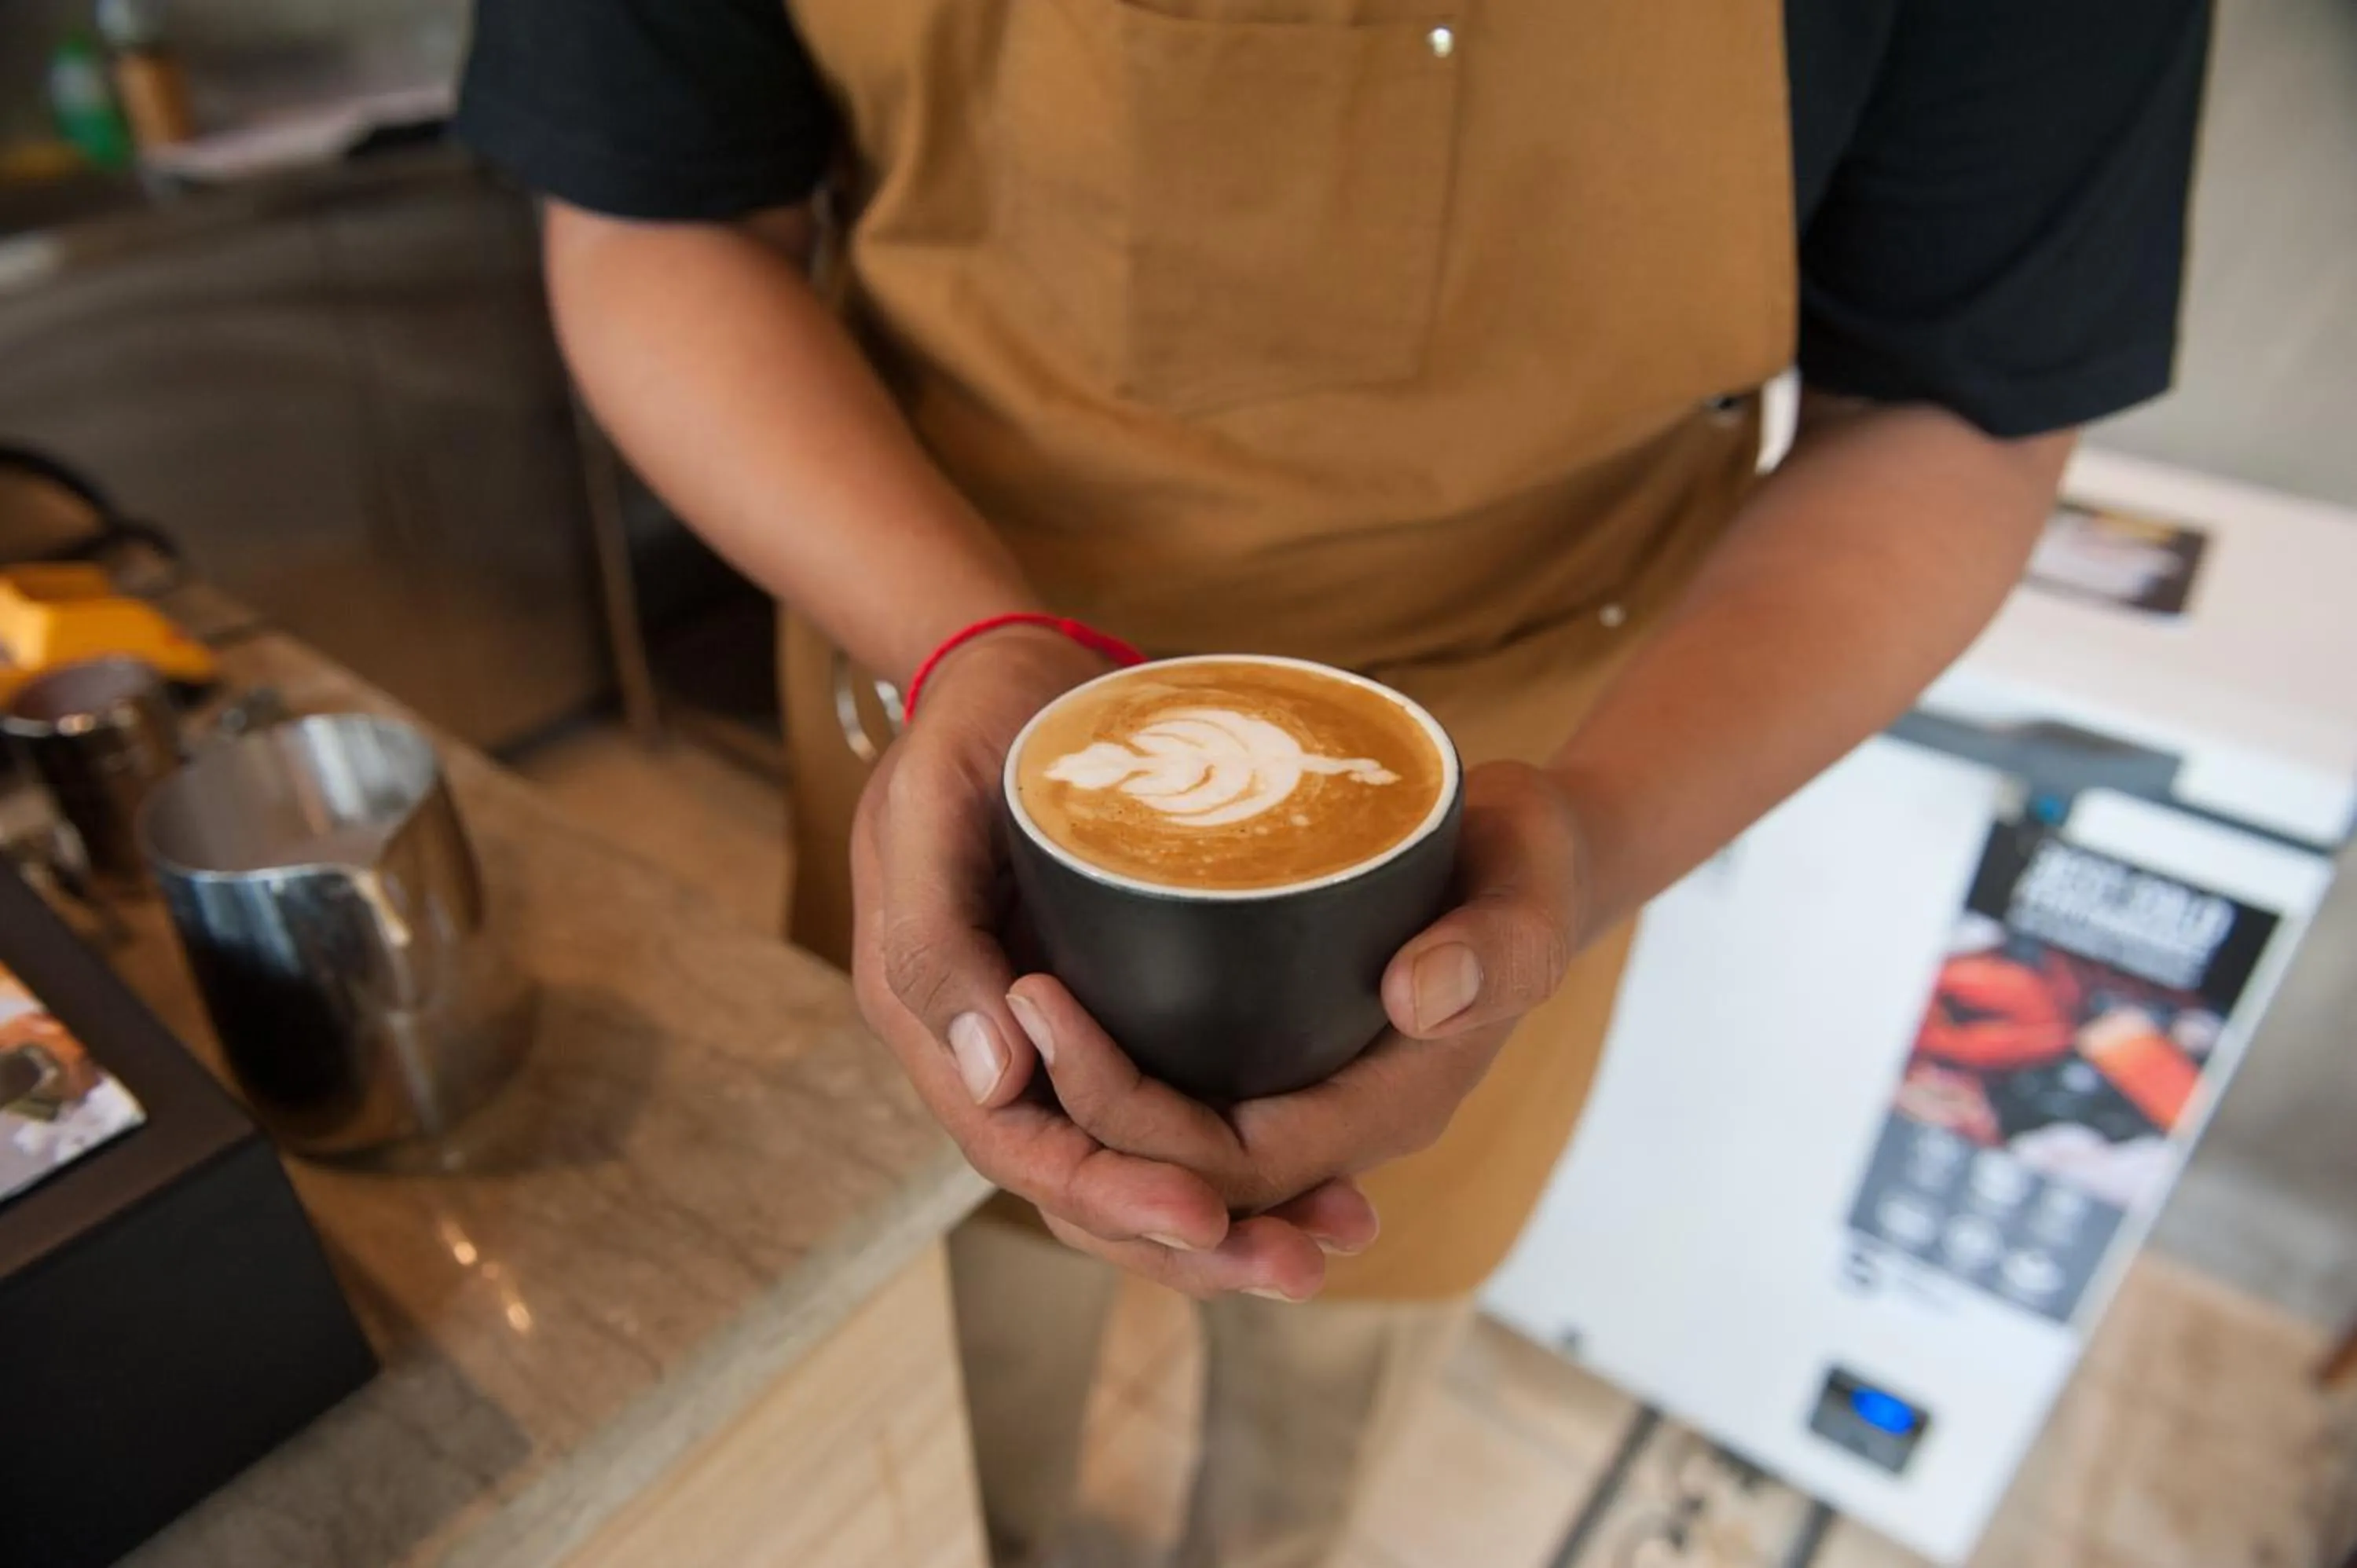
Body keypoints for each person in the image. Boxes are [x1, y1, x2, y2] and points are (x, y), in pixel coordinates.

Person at [457, 2, 2212, 1563]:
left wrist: (1593, 836)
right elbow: (653, 220)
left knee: (1325, 1410)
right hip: (955, 706)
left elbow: (1954, 402)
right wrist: (963, 639)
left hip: (1533, 784)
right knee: (956, 1352)